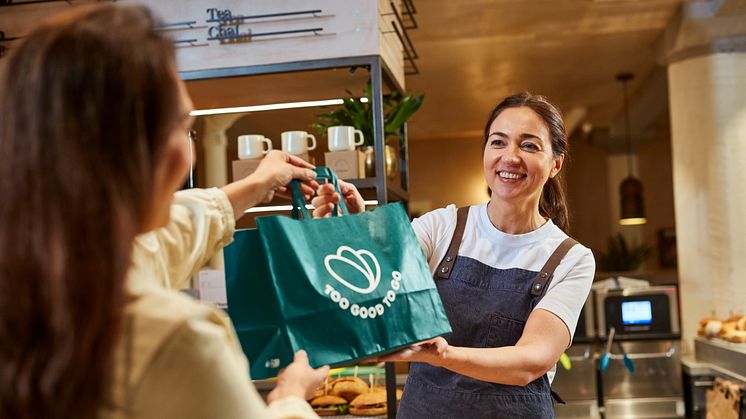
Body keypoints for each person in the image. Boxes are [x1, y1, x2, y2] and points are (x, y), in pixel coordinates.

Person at [0, 5, 329, 419]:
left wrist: (256, 183)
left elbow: (161, 241)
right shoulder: (178, 340)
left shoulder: (34, 281)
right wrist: (290, 398)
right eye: (181, 125)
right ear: (132, 149)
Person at [313, 92, 595, 417]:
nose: (510, 157)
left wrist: (442, 355)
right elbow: (378, 289)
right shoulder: (442, 227)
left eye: (529, 145)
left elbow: (529, 362)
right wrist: (347, 234)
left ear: (555, 164)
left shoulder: (570, 259)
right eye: (498, 142)